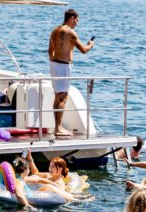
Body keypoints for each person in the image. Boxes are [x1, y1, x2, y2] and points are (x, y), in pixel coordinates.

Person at [48, 9, 94, 137]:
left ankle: (58, 127)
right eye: (77, 20)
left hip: (55, 65)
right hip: (63, 66)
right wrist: (90, 44)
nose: (77, 24)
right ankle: (58, 128)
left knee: (58, 96)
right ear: (72, 18)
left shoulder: (55, 31)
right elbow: (84, 50)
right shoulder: (71, 33)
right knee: (63, 96)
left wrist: (53, 64)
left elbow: (50, 50)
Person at [10, 156, 74, 207]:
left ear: (60, 169)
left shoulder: (60, 183)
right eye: (50, 166)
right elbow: (36, 173)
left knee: (49, 186)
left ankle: (74, 199)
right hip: (34, 193)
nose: (50, 169)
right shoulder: (48, 175)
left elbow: (59, 197)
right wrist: (30, 158)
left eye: (53, 167)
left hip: (43, 197)